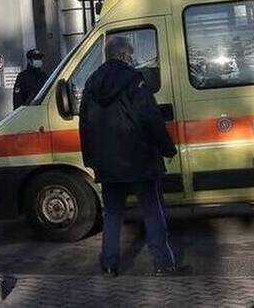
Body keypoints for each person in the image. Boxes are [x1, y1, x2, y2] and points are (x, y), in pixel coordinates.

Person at [79, 36, 187, 277]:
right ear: (123, 55)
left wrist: (91, 160)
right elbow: (151, 118)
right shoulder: (135, 80)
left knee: (112, 214)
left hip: (108, 165)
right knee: (153, 212)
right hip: (140, 160)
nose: (132, 59)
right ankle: (164, 264)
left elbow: (84, 127)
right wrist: (167, 149)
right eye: (130, 55)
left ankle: (109, 265)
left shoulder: (91, 83)